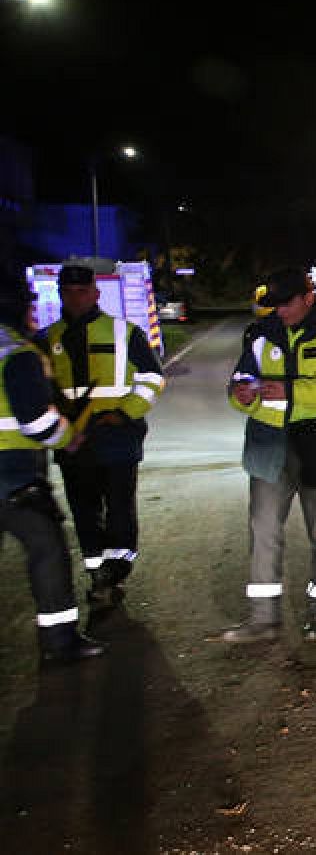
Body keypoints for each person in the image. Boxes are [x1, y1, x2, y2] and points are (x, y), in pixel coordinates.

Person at [217, 267, 316, 643]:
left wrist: (291, 392)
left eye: (286, 303)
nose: (279, 310)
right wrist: (241, 394)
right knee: (263, 529)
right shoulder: (259, 335)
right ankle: (263, 619)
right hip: (268, 446)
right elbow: (239, 381)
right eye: (274, 304)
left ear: (308, 298)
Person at [42, 262, 165, 605]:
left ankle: (117, 568)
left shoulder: (124, 332)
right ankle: (97, 572)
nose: (75, 298)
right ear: (60, 294)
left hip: (117, 438)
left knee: (119, 508)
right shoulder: (46, 340)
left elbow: (153, 378)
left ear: (96, 294)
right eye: (68, 292)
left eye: (82, 291)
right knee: (84, 511)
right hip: (72, 441)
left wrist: (124, 413)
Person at [0, 266, 106, 663]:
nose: (33, 314)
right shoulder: (18, 353)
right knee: (47, 550)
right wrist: (67, 436)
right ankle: (60, 642)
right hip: (13, 476)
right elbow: (35, 421)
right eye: (29, 307)